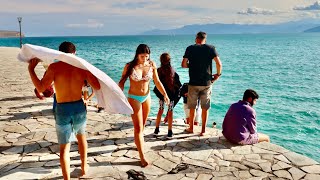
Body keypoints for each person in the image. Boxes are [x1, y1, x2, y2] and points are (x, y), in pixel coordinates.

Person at [27, 42, 100, 180]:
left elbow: (42, 88)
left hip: (62, 109)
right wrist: (88, 72)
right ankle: (84, 167)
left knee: (64, 148)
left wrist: (31, 70)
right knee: (81, 137)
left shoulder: (54, 67)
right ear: (75, 53)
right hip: (79, 107)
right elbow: (97, 86)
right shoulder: (81, 67)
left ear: (59, 53)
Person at [118, 44, 169, 167]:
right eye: (142, 56)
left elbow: (157, 81)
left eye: (147, 56)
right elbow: (122, 81)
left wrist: (165, 94)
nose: (145, 59)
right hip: (134, 98)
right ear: (137, 55)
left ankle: (138, 143)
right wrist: (118, 95)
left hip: (146, 97)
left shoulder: (151, 65)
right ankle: (142, 156)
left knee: (143, 125)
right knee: (138, 128)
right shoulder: (129, 66)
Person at [181, 31, 222, 136]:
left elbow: (184, 64)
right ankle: (203, 130)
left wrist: (193, 65)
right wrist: (218, 74)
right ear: (205, 39)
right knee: (205, 107)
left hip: (193, 82)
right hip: (207, 83)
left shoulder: (190, 48)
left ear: (196, 38)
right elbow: (218, 63)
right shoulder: (211, 48)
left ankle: (191, 128)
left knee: (192, 106)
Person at [153, 53, 182, 138]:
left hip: (162, 94)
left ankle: (157, 129)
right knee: (170, 112)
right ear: (169, 60)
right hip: (171, 95)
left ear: (161, 60)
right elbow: (178, 83)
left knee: (160, 110)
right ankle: (170, 131)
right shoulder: (172, 70)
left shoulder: (158, 70)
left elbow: (156, 82)